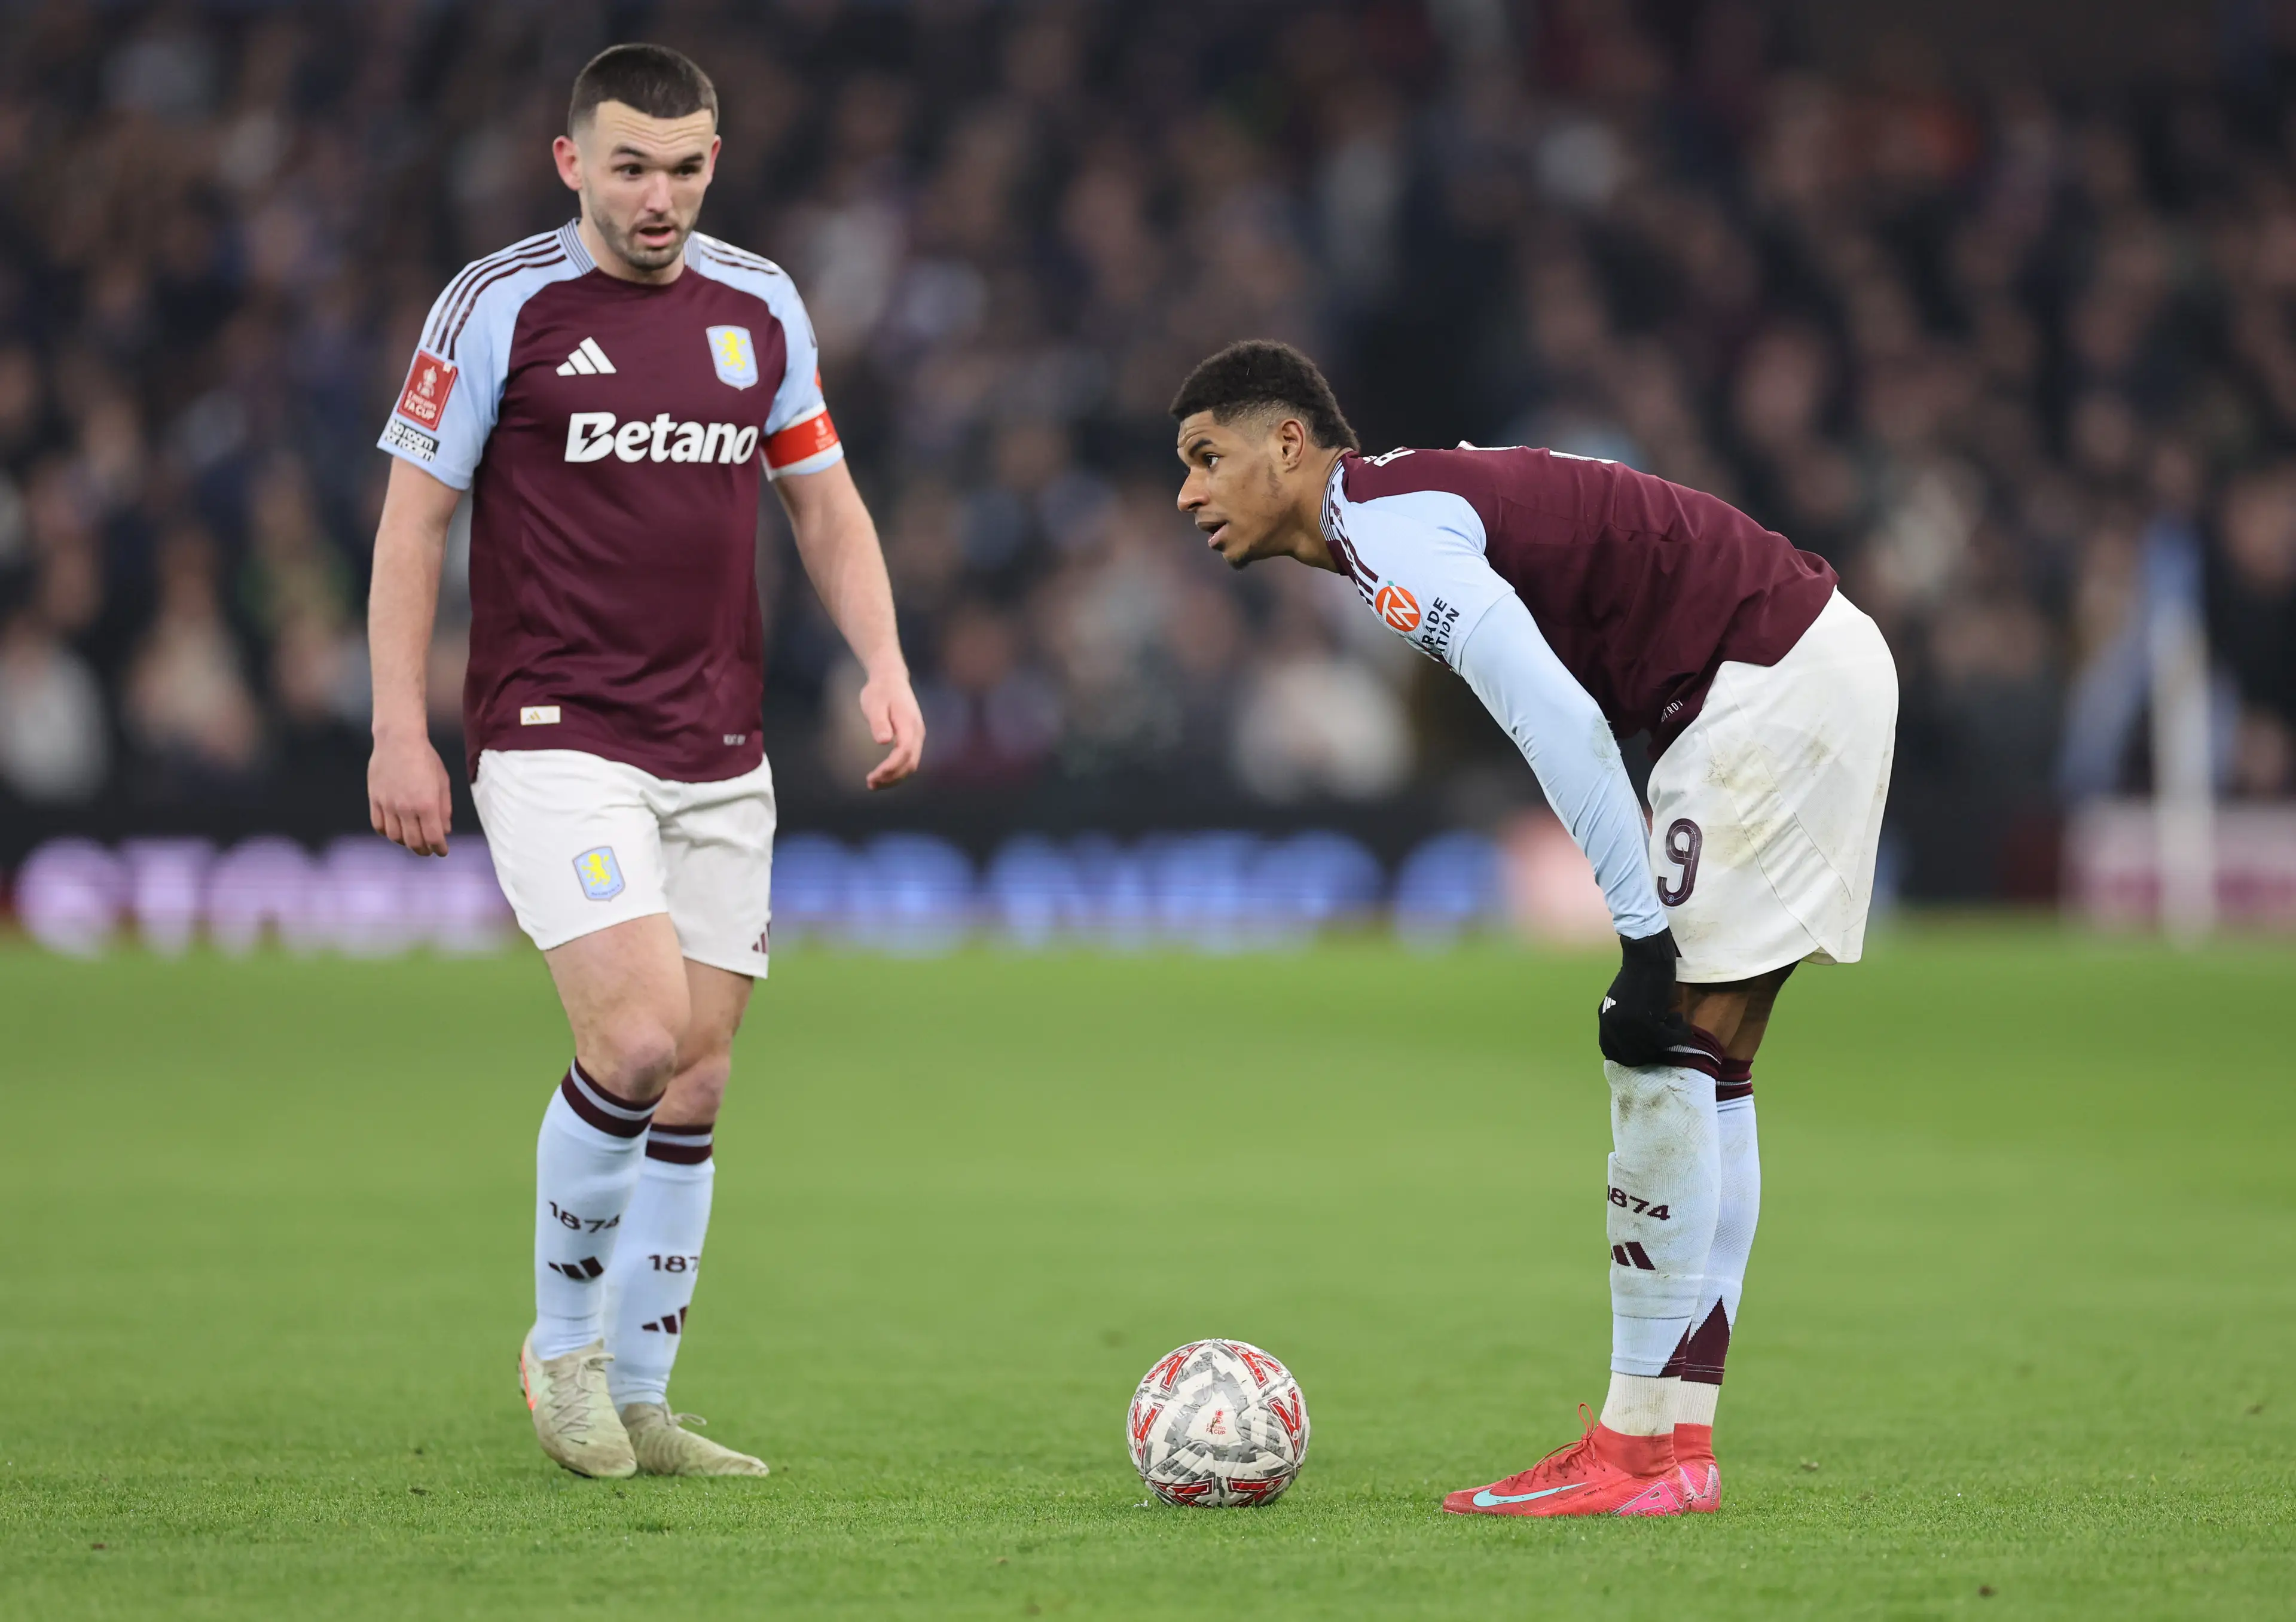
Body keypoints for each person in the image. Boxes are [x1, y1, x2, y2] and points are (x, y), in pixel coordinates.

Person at [1170, 340, 1896, 1517]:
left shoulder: (1389, 531)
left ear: (1290, 445)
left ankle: (1631, 1454)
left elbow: (1551, 714)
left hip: (1762, 682)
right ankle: (1678, 1446)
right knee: (1709, 1066)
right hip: (1801, 661)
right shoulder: (1399, 509)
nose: (1189, 492)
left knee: (1657, 1045)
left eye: (1209, 458)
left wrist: (1636, 931)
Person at [366, 44, 924, 1480]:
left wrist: (885, 661)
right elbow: (415, 522)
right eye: (630, 165)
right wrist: (398, 727)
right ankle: (562, 1354)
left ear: (714, 162)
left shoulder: (761, 304)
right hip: (556, 734)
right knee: (632, 1039)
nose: (659, 195)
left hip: (719, 744)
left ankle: (648, 1395)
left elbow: (825, 502)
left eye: (684, 166)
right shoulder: (501, 305)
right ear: (572, 164)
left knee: (700, 1078)